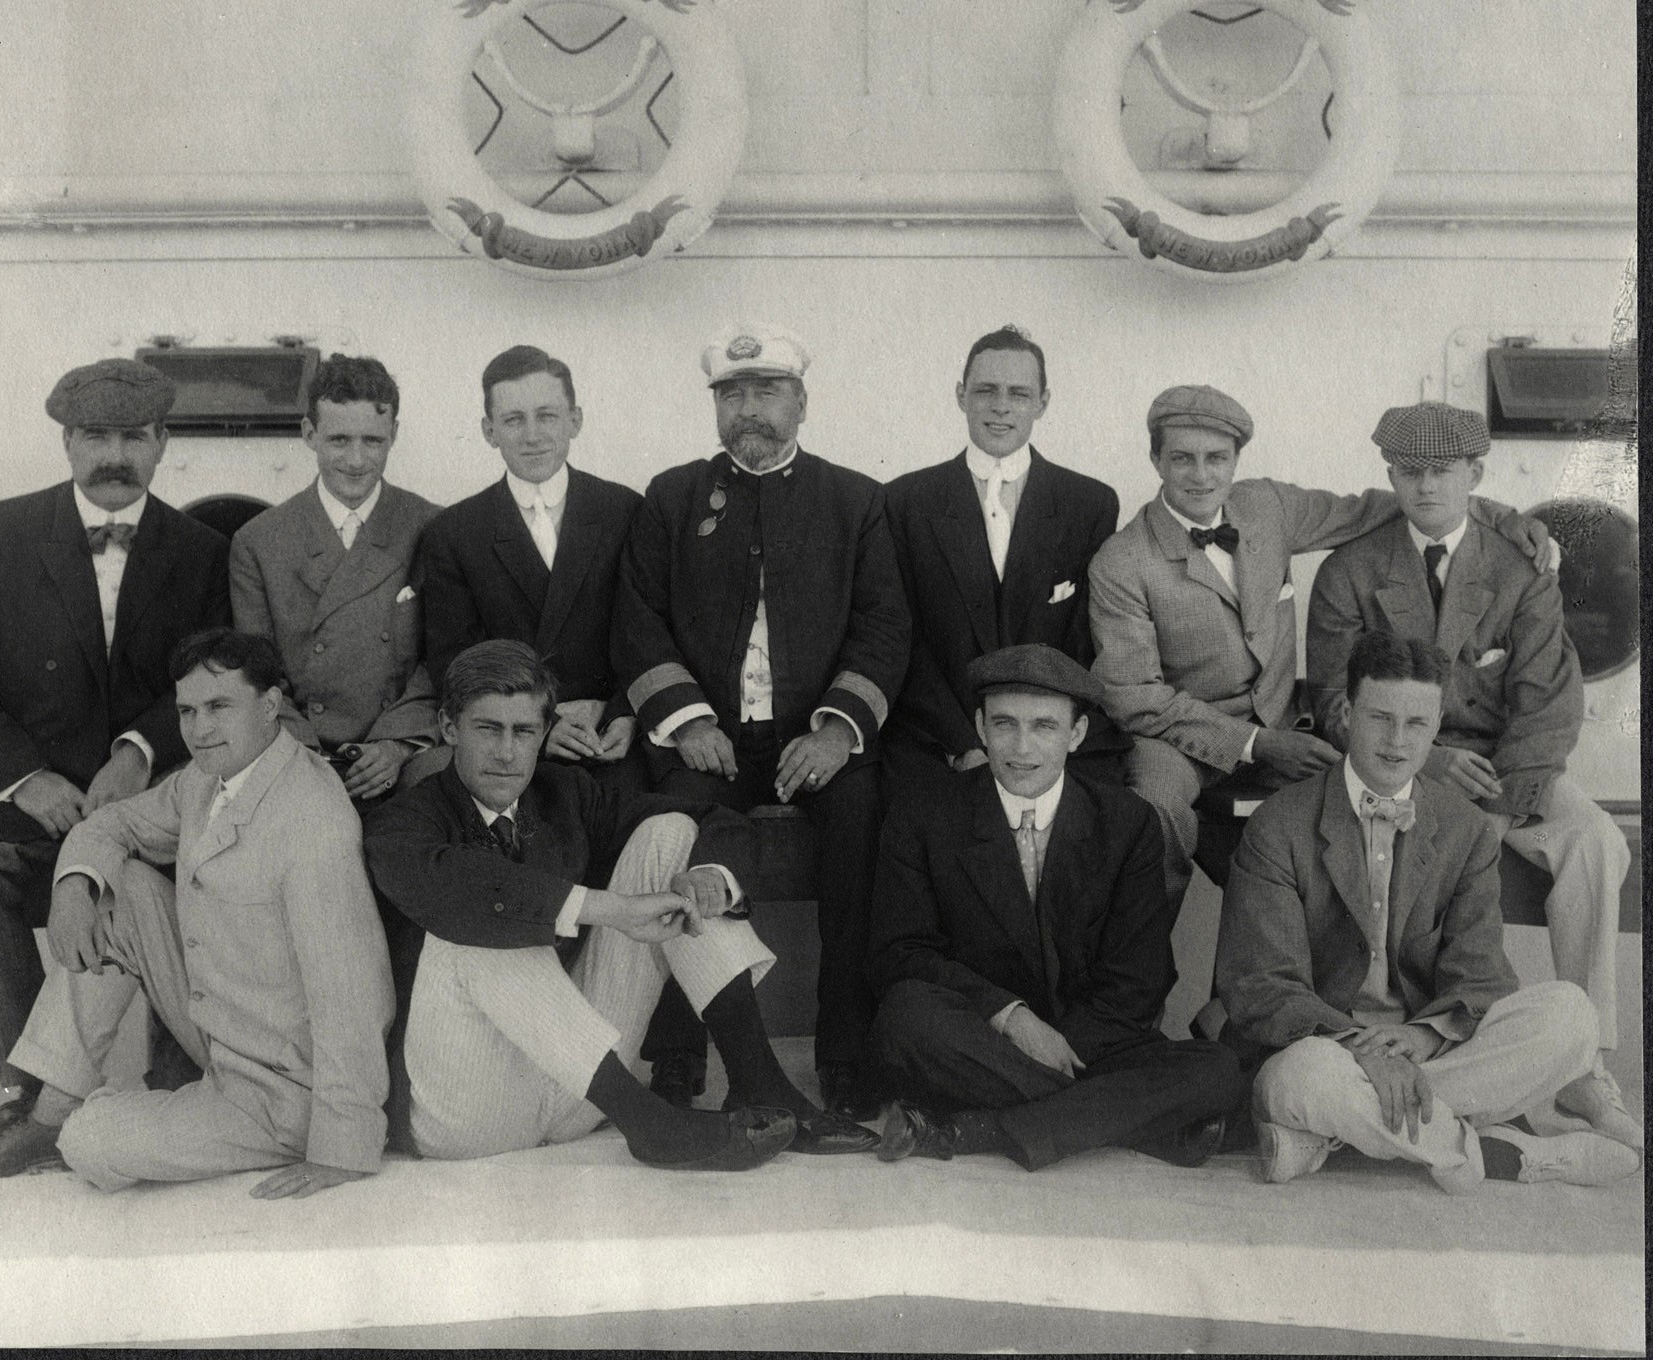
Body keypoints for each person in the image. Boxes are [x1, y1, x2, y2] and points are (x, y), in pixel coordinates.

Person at [361, 640, 877, 1168]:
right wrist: (611, 910)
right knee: (482, 919)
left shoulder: (564, 795)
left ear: (544, 733)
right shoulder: (406, 818)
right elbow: (468, 888)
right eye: (488, 729)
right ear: (449, 728)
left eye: (525, 732)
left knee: (669, 833)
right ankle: (652, 1125)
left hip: (577, 1093)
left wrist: (710, 878)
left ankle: (756, 1081)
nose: (508, 753)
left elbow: (716, 820)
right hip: (466, 1111)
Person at [0, 630, 396, 1195]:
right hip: (222, 1032)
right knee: (115, 883)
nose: (200, 729)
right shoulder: (208, 778)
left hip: (283, 1090)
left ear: (270, 706)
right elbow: (112, 824)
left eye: (220, 707)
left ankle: (71, 1126)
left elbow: (353, 994)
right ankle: (47, 1118)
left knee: (91, 1144)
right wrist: (73, 887)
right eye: (187, 711)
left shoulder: (314, 818)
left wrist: (341, 1151)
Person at [1306, 402, 1638, 1148]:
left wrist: (1497, 810)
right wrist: (1426, 761)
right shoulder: (1349, 571)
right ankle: (1446, 1053)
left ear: (1474, 475)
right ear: (1389, 474)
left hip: (1507, 766)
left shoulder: (1520, 564)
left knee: (1593, 841)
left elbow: (1550, 703)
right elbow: (1331, 701)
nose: (1425, 487)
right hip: (1397, 760)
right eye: (1409, 471)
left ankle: (1583, 1070)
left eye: (1442, 471)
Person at [1087, 383, 1554, 902]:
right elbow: (1135, 698)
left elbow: (1401, 502)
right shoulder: (1122, 561)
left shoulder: (1266, 506)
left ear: (1236, 460)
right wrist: (1257, 744)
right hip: (1178, 738)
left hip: (1288, 723)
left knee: (1349, 817)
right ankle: (1137, 968)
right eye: (1182, 459)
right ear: (1155, 460)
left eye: (1216, 458)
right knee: (1155, 811)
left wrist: (1505, 517)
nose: (1201, 475)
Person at [0, 358, 231, 1129]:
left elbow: (207, 678)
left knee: (206, 861)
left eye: (133, 436)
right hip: (17, 806)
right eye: (96, 436)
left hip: (143, 803)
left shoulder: (201, 553)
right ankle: (29, 1085)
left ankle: (183, 1075)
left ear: (162, 443)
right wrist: (27, 781)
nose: (114, 455)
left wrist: (137, 753)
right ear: (66, 443)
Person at [612, 321, 912, 1121]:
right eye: (732, 395)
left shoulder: (854, 500)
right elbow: (637, 620)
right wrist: (686, 721)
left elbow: (884, 625)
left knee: (860, 828)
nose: (750, 411)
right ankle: (676, 1053)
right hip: (706, 733)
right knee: (675, 832)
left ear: (802, 402)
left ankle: (846, 1056)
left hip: (813, 735)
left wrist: (836, 731)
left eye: (767, 392)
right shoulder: (672, 496)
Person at [1215, 630, 1640, 1193]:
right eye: (1379, 718)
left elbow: (1481, 975)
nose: (1396, 741)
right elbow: (1263, 988)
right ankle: (1501, 1152)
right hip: (1320, 1046)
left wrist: (1422, 1040)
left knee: (1571, 1015)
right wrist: (1360, 1052)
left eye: (1416, 724)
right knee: (1305, 1081)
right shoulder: (1279, 823)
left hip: (1424, 1042)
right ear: (1347, 712)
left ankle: (1335, 1138)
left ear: (1438, 726)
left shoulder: (1465, 829)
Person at [867, 644, 1243, 1169]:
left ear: (1077, 735)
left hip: (1089, 1041)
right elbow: (900, 955)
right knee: (905, 1018)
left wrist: (1064, 1047)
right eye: (1004, 724)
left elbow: (1140, 977)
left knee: (1218, 1068)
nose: (1022, 748)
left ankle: (979, 1128)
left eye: (1044, 727)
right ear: (979, 726)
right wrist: (1014, 1021)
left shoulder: (1126, 821)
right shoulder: (924, 815)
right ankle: (1121, 1121)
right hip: (982, 1035)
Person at [884, 325, 1123, 787]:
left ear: (1043, 402)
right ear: (961, 396)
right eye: (985, 391)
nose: (1000, 406)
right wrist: (964, 744)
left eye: (1018, 393)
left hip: (1052, 742)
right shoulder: (904, 501)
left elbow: (1084, 641)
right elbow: (902, 639)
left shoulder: (1090, 503)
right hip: (938, 737)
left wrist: (1033, 745)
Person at [415, 344, 640, 786]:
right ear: (488, 431)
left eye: (547, 415)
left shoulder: (625, 511)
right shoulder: (454, 532)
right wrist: (545, 723)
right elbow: (454, 661)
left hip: (615, 740)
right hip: (511, 744)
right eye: (514, 419)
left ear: (576, 420)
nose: (532, 435)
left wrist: (625, 714)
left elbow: (647, 632)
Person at [229, 354, 441, 803]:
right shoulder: (259, 542)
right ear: (309, 434)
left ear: (394, 436)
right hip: (298, 753)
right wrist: (307, 758)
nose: (357, 459)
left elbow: (439, 660)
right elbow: (258, 675)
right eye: (339, 440)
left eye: (373, 440)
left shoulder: (432, 527)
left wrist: (397, 745)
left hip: (404, 751)